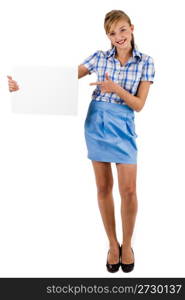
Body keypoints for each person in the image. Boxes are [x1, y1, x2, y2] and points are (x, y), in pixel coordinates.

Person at [8, 9, 155, 273]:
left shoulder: (146, 62)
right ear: (107, 37)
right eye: (112, 33)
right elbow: (64, 79)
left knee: (129, 191)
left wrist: (116, 89)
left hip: (123, 125)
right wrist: (24, 86)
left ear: (131, 28)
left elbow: (139, 104)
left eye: (122, 29)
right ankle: (112, 244)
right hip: (97, 123)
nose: (118, 36)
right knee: (103, 188)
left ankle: (128, 244)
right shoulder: (99, 58)